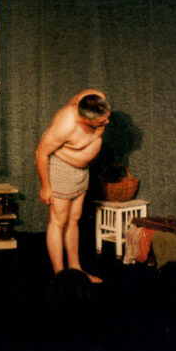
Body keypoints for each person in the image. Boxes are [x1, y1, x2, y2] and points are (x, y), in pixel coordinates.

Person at [35, 89, 110, 283]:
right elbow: (41, 152)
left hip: (81, 171)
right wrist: (46, 187)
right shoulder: (65, 125)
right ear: (85, 119)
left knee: (74, 218)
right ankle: (61, 276)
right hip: (61, 170)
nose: (107, 123)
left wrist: (93, 136)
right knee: (58, 221)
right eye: (101, 122)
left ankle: (75, 269)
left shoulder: (93, 97)